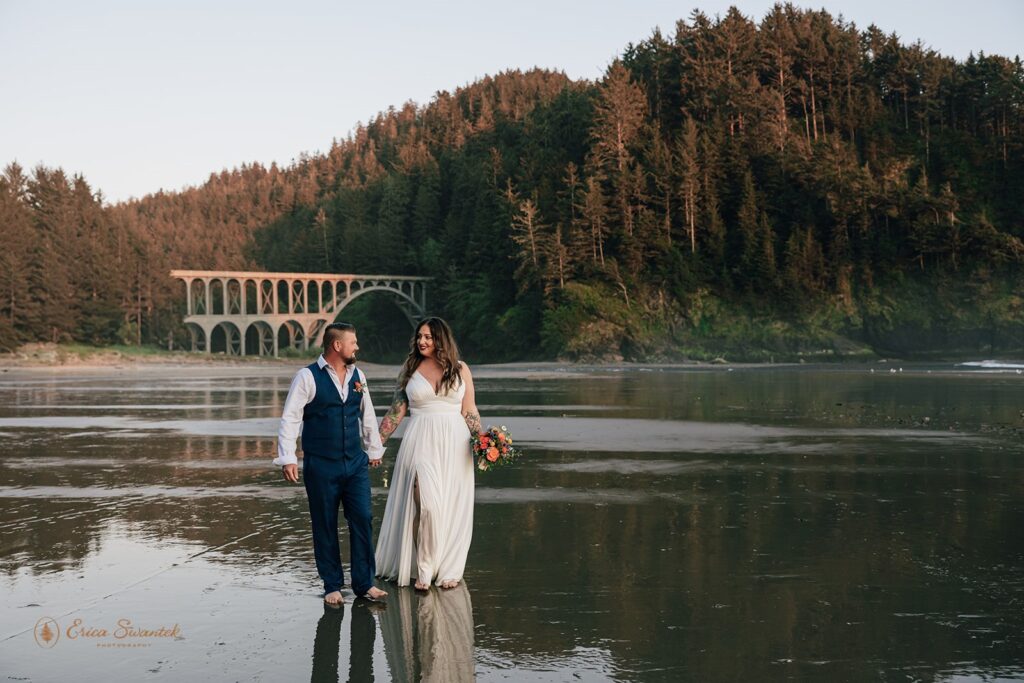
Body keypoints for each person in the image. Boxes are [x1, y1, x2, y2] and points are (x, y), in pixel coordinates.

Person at [274, 322, 388, 604]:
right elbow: (291, 417)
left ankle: (364, 583)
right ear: (337, 346)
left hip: (355, 462)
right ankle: (332, 585)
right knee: (324, 523)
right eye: (353, 342)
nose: (357, 347)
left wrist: (374, 449)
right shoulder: (307, 377)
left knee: (362, 519)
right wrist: (288, 457)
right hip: (321, 465)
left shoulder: (358, 375)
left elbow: (367, 413)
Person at [374, 317, 480, 591]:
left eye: (428, 337)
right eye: (419, 336)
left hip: (456, 444)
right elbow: (396, 412)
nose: (422, 341)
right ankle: (423, 568)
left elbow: (469, 409)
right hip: (420, 440)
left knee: (452, 505)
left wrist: (483, 442)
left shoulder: (460, 370)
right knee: (427, 505)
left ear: (441, 340)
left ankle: (448, 568)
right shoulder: (409, 369)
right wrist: (376, 444)